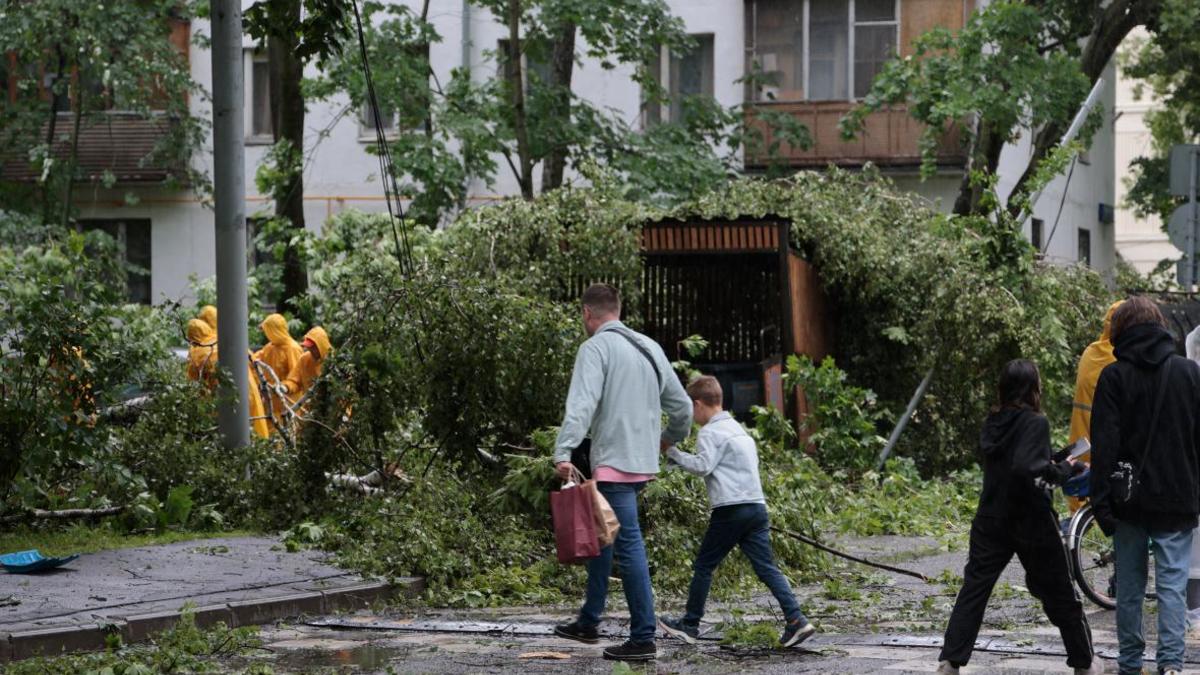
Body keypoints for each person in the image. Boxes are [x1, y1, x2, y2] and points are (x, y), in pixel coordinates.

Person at [551, 283, 692, 662]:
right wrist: (666, 440)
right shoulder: (650, 348)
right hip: (642, 463)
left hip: (614, 463)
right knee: (603, 534)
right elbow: (683, 409)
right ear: (618, 308)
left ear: (586, 313)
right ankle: (589, 619)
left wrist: (563, 451)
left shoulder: (595, 348)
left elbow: (582, 404)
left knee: (628, 546)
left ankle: (643, 637)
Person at [937, 359, 1100, 675]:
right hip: (1032, 520)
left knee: (974, 590)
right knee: (1060, 591)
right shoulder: (1035, 422)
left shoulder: (992, 422)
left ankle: (950, 661)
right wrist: (1067, 468)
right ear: (1033, 389)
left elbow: (1018, 461)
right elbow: (1029, 469)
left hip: (991, 517)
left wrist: (1056, 458)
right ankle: (1084, 662)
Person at [657, 375, 815, 648]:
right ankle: (797, 620)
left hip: (731, 510)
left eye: (690, 410)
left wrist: (672, 452)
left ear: (697, 404)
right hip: (756, 508)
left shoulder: (710, 432)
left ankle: (690, 625)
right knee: (767, 568)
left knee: (704, 566)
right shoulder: (740, 431)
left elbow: (702, 466)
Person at [1090, 297, 1200, 675]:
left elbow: (1104, 444)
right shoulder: (1189, 373)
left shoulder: (1114, 376)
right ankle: (1170, 665)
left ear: (1121, 330)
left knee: (1131, 591)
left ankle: (1130, 663)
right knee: (1172, 588)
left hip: (1128, 501)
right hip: (1177, 496)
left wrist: (1101, 504)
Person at [1066, 300, 1123, 512]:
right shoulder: (1119, 360)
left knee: (1079, 484)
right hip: (1105, 431)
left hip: (1081, 433)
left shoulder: (1091, 352)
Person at [185, 316, 270, 438]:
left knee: (228, 437)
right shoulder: (223, 340)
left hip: (221, 398)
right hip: (248, 388)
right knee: (254, 429)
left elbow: (192, 381)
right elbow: (253, 362)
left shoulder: (197, 352)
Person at [253, 313, 304, 420]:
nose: (266, 334)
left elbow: (297, 377)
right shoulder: (269, 347)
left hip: (288, 403)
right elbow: (255, 360)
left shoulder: (292, 349)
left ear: (274, 331)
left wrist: (285, 387)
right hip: (270, 402)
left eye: (267, 330)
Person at [282, 326, 332, 406]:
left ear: (321, 345)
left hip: (332, 410)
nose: (311, 350)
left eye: (313, 347)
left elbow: (344, 392)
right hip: (309, 409)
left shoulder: (334, 361)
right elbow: (295, 380)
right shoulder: (304, 359)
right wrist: (286, 387)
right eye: (309, 348)